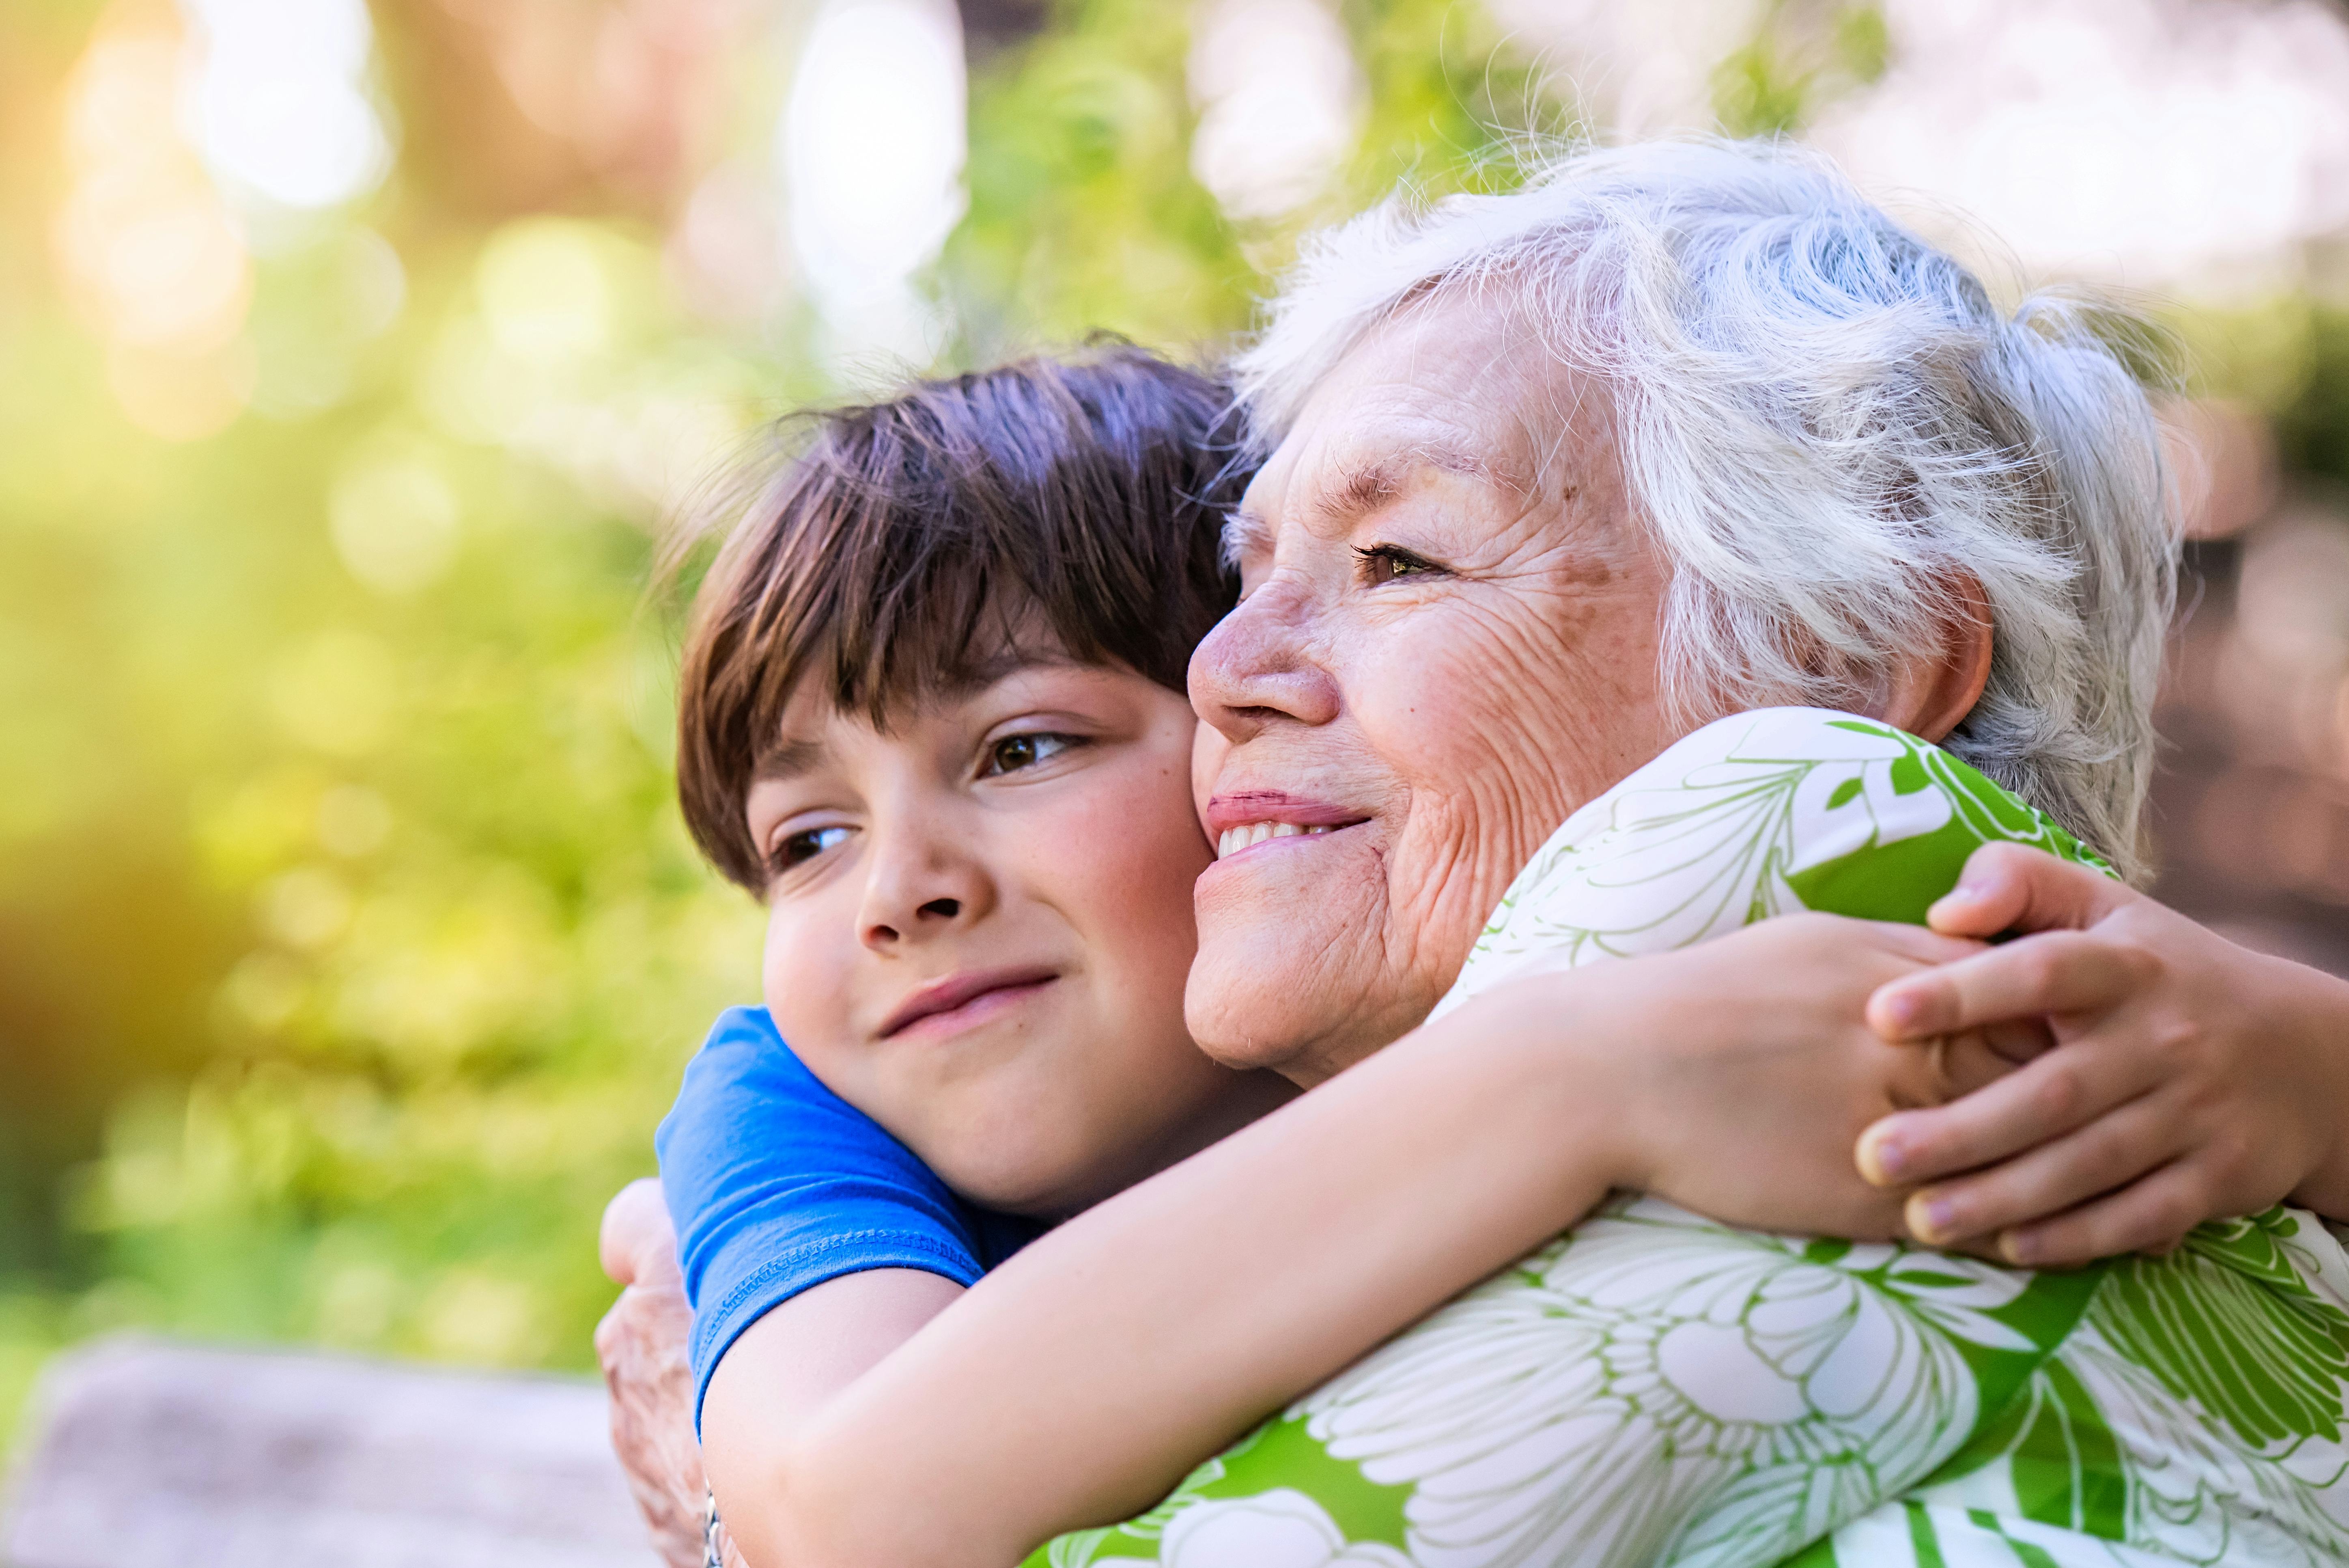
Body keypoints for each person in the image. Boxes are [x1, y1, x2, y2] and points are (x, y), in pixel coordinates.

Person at [604, 140, 2349, 1567]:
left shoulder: (2031, 1038)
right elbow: (838, 1489)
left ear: (1845, 658)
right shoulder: (821, 1093)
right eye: (1245, 578)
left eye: (1396, 566)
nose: (1223, 675)